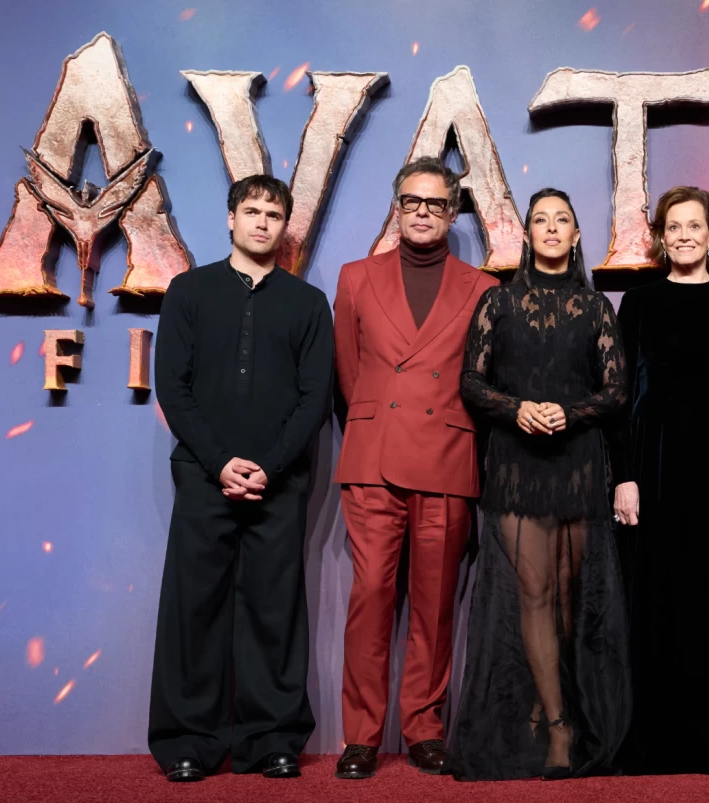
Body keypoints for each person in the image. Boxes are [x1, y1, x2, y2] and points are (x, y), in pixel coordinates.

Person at [149, 175, 332, 781]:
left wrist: (269, 466)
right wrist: (220, 463)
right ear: (230, 218)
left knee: (274, 611)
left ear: (285, 228)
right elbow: (172, 387)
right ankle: (187, 742)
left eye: (273, 215)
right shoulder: (188, 291)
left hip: (279, 482)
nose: (261, 222)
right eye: (251, 211)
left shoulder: (307, 304)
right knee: (193, 609)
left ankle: (271, 741)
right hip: (203, 477)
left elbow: (315, 397)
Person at [448, 188, 631, 780]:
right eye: (540, 221)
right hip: (516, 464)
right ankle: (557, 729)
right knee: (533, 593)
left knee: (570, 597)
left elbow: (616, 390)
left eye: (563, 221)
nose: (551, 229)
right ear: (526, 235)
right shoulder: (496, 303)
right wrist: (519, 407)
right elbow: (472, 384)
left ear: (577, 237)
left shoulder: (597, 308)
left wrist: (567, 413)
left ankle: (545, 699)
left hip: (577, 462)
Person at [333, 157, 499, 779]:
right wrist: (377, 424)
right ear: (396, 208)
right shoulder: (355, 277)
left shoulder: (483, 288)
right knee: (371, 595)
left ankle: (425, 728)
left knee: (434, 604)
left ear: (452, 213)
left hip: (447, 457)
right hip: (374, 458)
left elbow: (482, 380)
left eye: (435, 203)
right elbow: (350, 374)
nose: (423, 212)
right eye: (412, 201)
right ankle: (361, 737)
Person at [611, 186, 709, 776]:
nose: (682, 235)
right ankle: (661, 744)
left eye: (693, 226)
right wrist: (624, 479)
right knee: (660, 600)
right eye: (672, 226)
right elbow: (621, 398)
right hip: (655, 467)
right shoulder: (639, 302)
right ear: (660, 236)